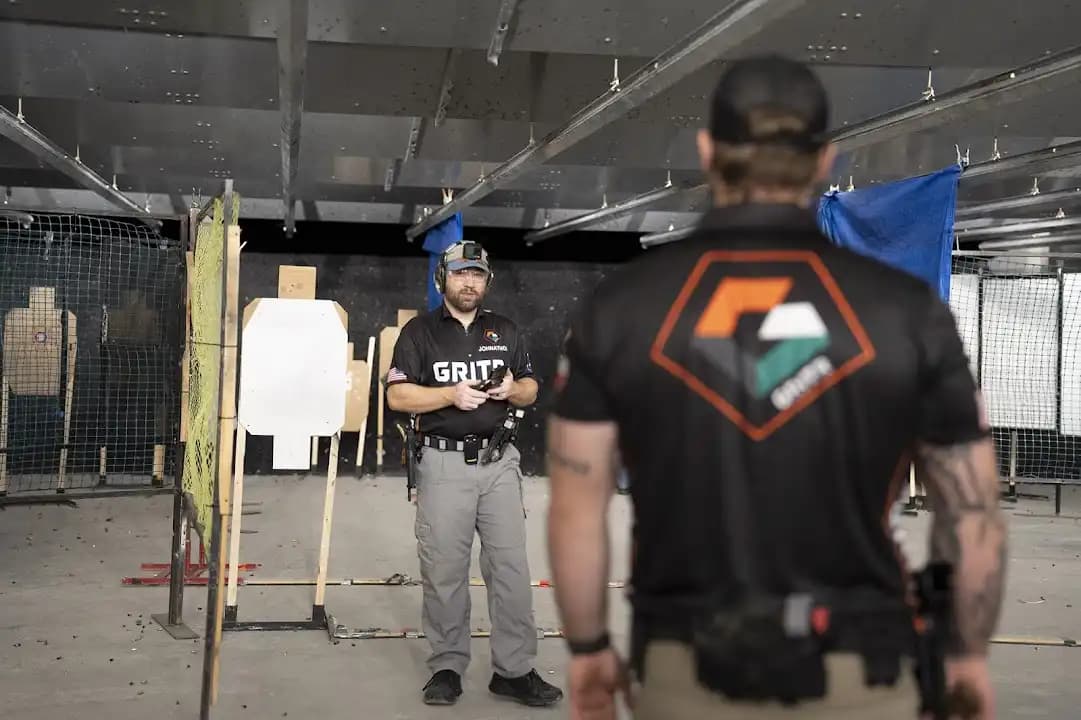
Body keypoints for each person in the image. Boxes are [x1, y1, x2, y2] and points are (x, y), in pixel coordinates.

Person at [545, 54, 1007, 720]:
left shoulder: (621, 308)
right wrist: (963, 655)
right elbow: (970, 512)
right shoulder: (904, 311)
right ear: (824, 160)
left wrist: (588, 649)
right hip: (861, 676)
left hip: (685, 675)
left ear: (707, 152)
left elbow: (577, 509)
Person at [385, 240, 564, 708]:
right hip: (442, 464)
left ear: (488, 281)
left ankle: (514, 670)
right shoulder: (419, 332)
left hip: (500, 463)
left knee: (510, 567)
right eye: (461, 273)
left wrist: (512, 387)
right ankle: (447, 666)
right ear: (442, 278)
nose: (469, 282)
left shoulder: (505, 330)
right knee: (444, 569)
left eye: (477, 275)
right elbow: (398, 398)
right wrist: (449, 396)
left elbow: (530, 388)